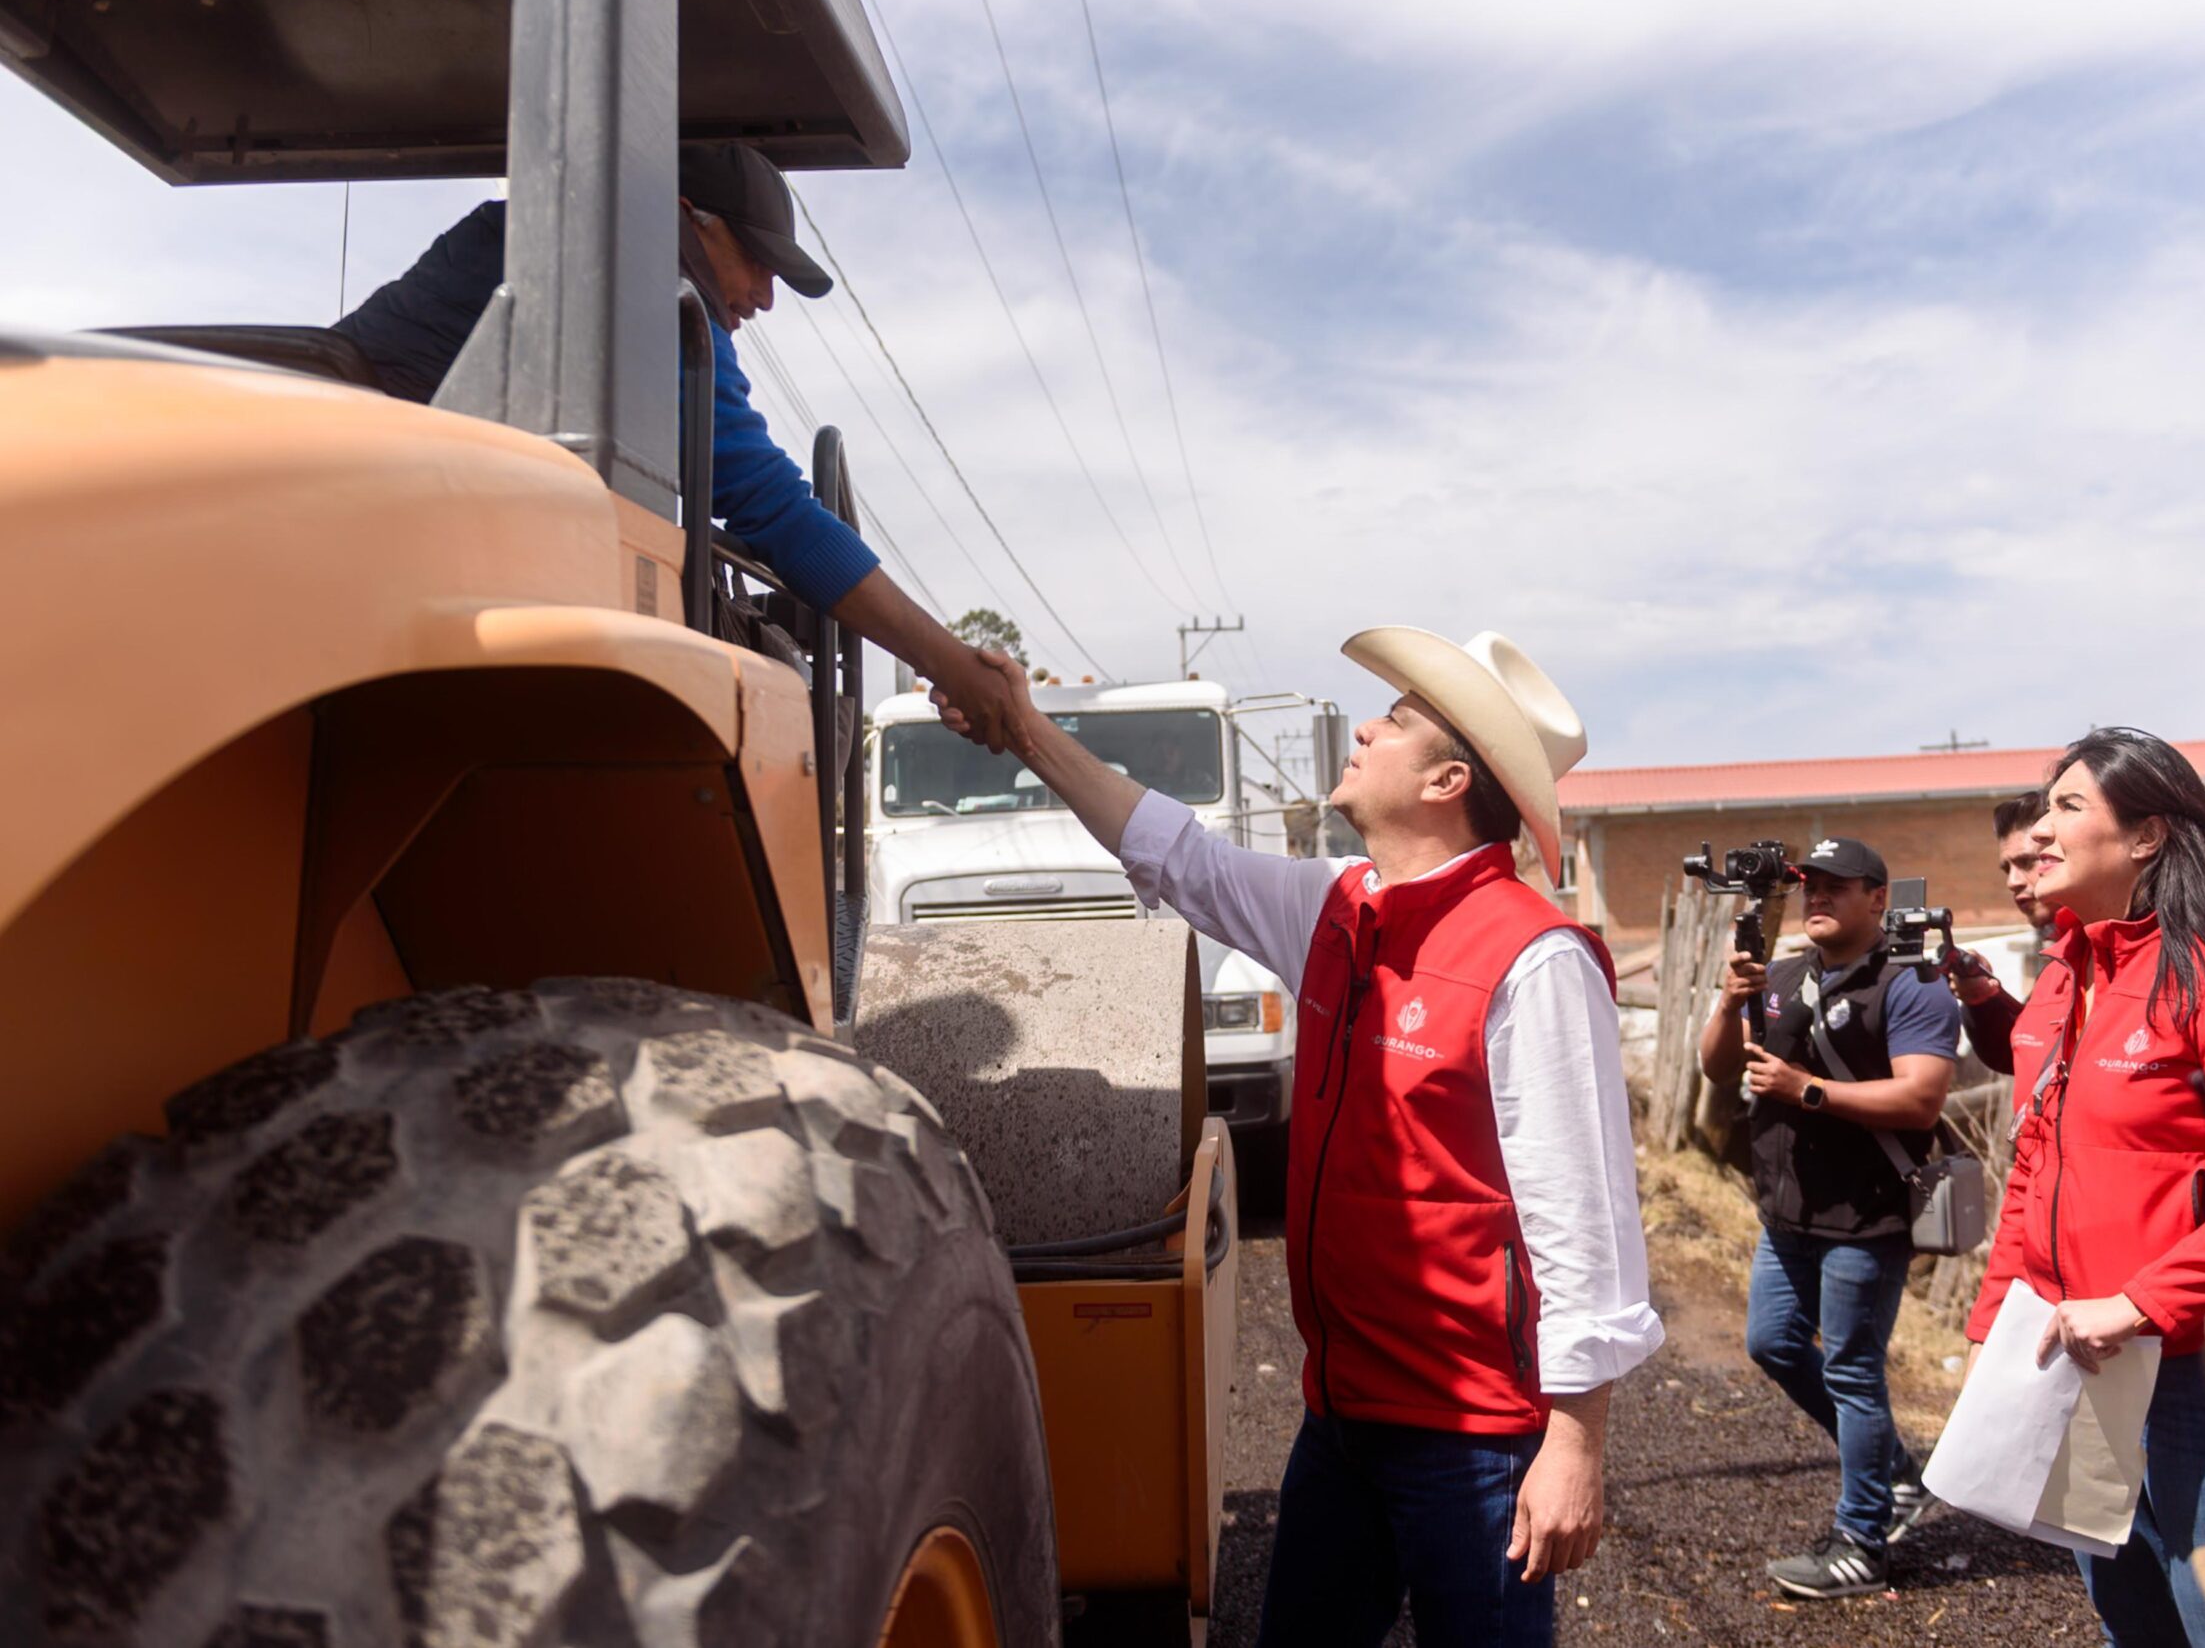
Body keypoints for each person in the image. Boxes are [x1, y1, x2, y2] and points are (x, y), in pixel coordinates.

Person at [935, 628, 1661, 1647]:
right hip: (1343, 1414)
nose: (1363, 725)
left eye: (1395, 720)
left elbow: (1582, 1215)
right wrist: (1027, 729)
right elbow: (1176, 854)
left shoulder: (1532, 957)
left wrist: (1575, 1443)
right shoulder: (1338, 904)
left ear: (1448, 777)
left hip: (1474, 1439)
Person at [333, 142, 1019, 750]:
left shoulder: (524, 237)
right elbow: (769, 504)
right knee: (793, 694)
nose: (765, 296)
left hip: (394, 542)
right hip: (419, 563)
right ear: (689, 217)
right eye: (757, 259)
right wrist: (947, 660)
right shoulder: (645, 277)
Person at [1965, 728, 2205, 1647]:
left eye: (2068, 807)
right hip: (2078, 1363)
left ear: (2148, 837)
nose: (2040, 832)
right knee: (2131, 1621)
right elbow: (2031, 1175)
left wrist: (2139, 1303)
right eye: (2045, 808)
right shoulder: (2057, 988)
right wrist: (1989, 1330)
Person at [1697, 835, 1961, 1598]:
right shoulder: (1780, 976)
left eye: (1836, 887)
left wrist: (1806, 1089)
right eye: (1810, 886)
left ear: (1877, 898)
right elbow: (1718, 1065)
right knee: (1773, 1343)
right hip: (1786, 1215)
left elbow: (1921, 1097)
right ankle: (1895, 1474)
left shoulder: (1911, 985)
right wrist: (1728, 999)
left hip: (1866, 1218)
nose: (1816, 898)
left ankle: (1861, 1540)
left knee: (1850, 1368)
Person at [1948, 789, 2054, 1076]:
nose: (2012, 882)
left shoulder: (2114, 950)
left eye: (2027, 862)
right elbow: (2024, 1056)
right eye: (2006, 868)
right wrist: (1983, 1000)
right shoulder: (2060, 956)